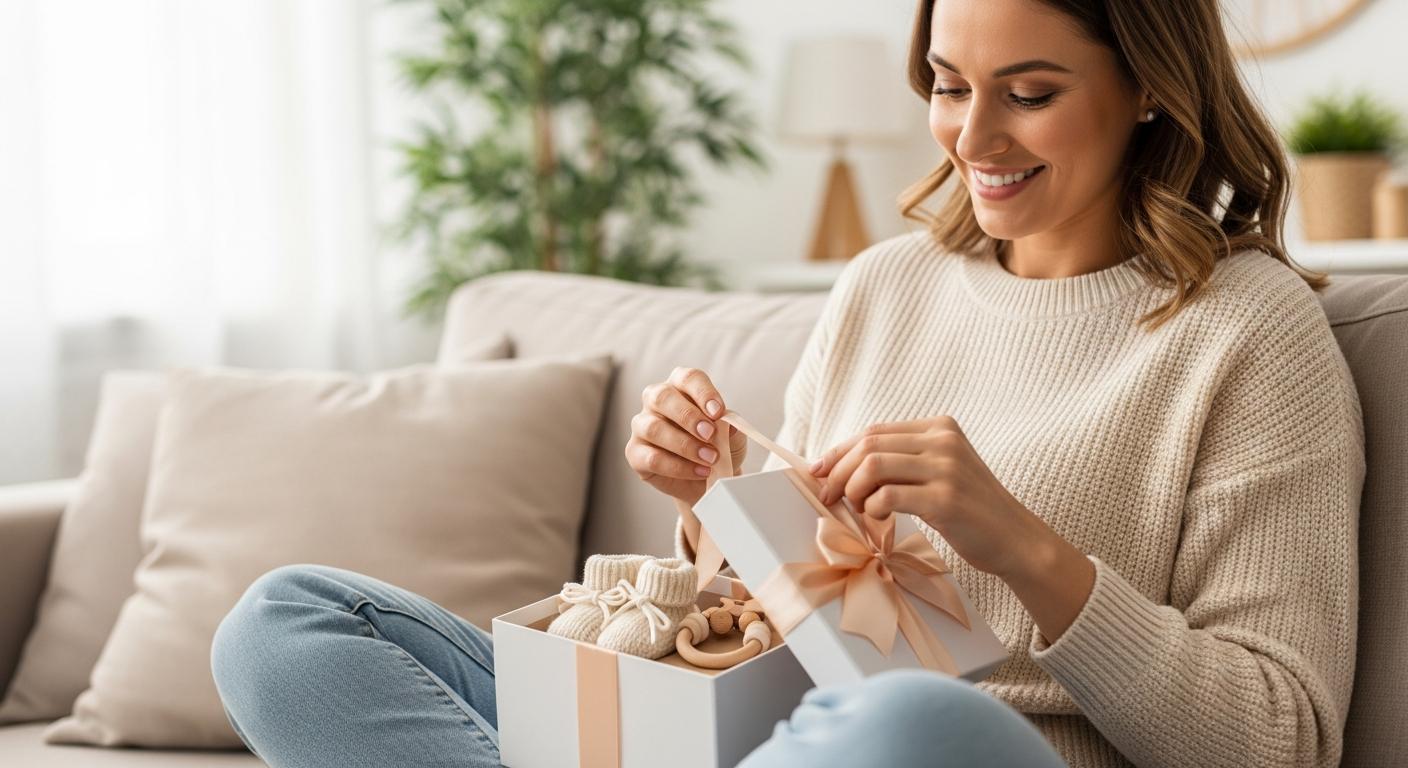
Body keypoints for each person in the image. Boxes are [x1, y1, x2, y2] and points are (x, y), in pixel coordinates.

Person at [209, 0, 1365, 765]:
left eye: (1028, 93)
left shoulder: (1247, 331)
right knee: (288, 624)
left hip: (933, 750)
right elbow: (794, 631)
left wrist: (1016, 542)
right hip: (774, 737)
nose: (971, 138)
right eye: (947, 85)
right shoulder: (884, 285)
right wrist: (715, 503)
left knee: (907, 719)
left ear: (1148, 85)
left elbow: (1278, 739)